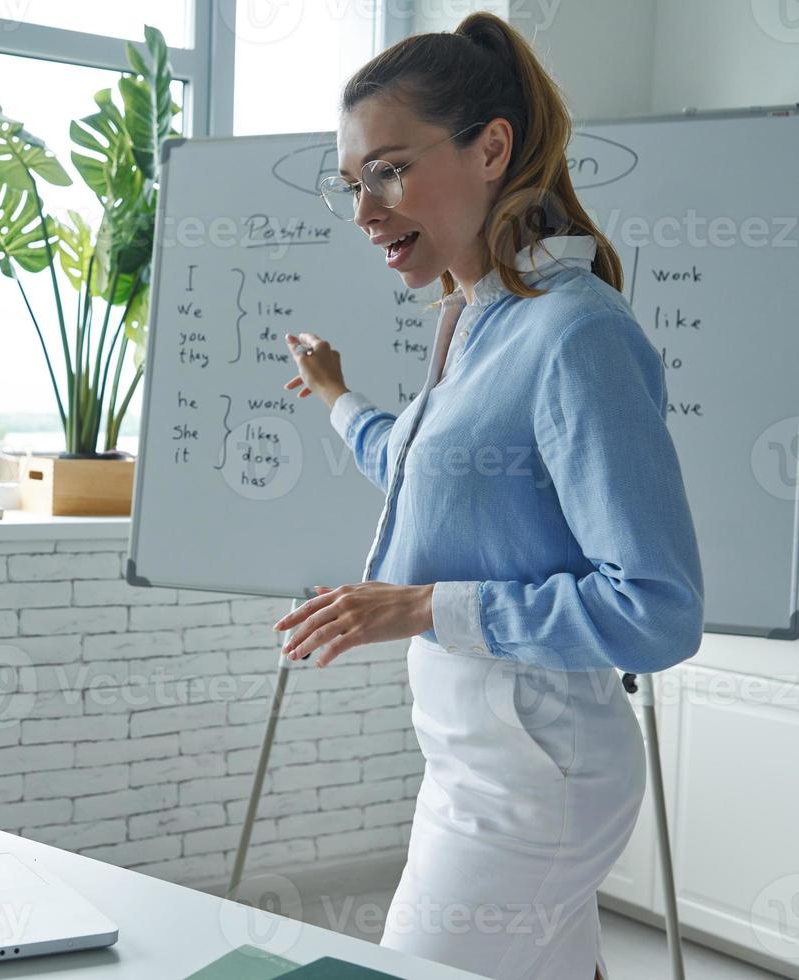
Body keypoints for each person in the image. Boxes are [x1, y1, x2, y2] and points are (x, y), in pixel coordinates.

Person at [270, 11, 704, 979]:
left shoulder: (573, 334)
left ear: (492, 147)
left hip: (532, 779)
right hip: (478, 759)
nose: (365, 209)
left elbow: (658, 608)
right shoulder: (475, 322)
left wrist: (423, 603)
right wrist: (340, 399)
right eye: (352, 184)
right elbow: (440, 484)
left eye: (387, 170)